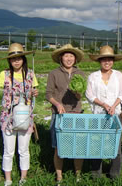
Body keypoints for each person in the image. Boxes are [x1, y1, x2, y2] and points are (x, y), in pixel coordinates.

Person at [0, 43, 39, 186]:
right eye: (13, 58)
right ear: (9, 61)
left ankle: (23, 178)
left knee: (24, 150)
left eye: (19, 58)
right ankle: (8, 179)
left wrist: (35, 92)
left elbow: (35, 91)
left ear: (23, 58)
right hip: (8, 118)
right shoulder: (4, 74)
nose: (16, 61)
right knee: (8, 151)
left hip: (25, 117)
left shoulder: (30, 73)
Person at [46, 44, 85, 185]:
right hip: (60, 115)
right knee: (58, 146)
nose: (69, 58)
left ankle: (78, 175)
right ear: (61, 58)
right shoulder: (54, 74)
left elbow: (81, 96)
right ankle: (59, 177)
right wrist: (57, 104)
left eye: (71, 56)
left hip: (76, 113)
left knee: (77, 145)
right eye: (66, 56)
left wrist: (77, 93)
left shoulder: (80, 74)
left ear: (75, 59)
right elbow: (48, 94)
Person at [86, 45, 122, 179]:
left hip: (115, 115)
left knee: (115, 144)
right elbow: (89, 95)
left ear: (113, 61)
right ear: (99, 61)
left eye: (110, 59)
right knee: (97, 144)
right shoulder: (93, 76)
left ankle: (114, 174)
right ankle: (96, 174)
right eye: (104, 60)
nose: (107, 62)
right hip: (98, 115)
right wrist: (104, 104)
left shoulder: (118, 75)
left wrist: (113, 106)